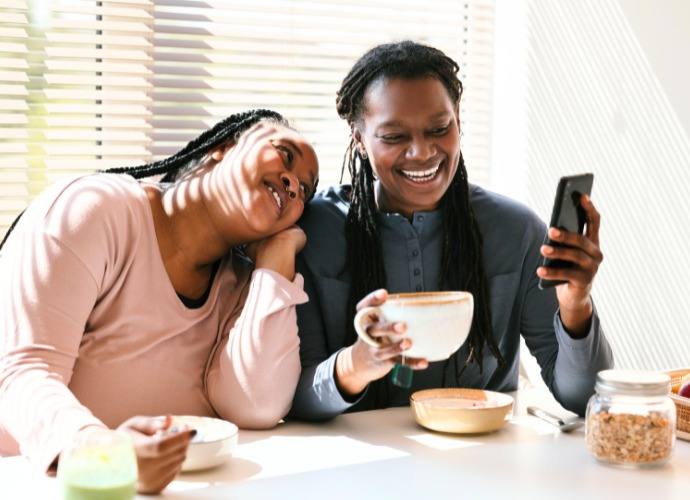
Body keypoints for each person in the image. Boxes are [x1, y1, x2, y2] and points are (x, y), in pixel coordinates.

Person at [288, 41, 613, 423]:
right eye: (394, 137)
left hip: (485, 463)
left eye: (439, 128)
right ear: (359, 139)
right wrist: (354, 366)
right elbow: (293, 400)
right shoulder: (313, 234)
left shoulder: (516, 232)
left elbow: (586, 399)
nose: (422, 152)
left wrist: (576, 303)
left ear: (458, 119)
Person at [0, 109, 319, 493]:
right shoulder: (94, 209)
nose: (292, 185)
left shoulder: (240, 288)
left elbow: (256, 404)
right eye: (285, 155)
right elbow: (22, 375)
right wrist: (110, 454)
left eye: (305, 190)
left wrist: (275, 261)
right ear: (223, 146)